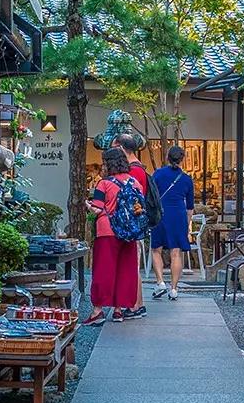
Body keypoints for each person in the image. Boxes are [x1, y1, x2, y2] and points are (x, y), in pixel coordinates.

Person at [83, 147, 142, 326]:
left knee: (104, 270)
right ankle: (118, 310)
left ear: (108, 163)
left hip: (107, 231)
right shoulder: (135, 183)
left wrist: (87, 205)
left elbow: (98, 208)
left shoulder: (104, 183)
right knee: (125, 270)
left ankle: (98, 310)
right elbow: (139, 208)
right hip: (129, 232)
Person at [112, 132, 150, 319]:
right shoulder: (140, 169)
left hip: (131, 227)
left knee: (132, 267)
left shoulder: (133, 172)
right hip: (135, 226)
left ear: (120, 147)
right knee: (134, 266)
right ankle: (137, 304)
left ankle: (135, 305)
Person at [150, 144, 195, 301]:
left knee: (156, 249)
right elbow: (190, 207)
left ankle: (160, 282)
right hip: (178, 215)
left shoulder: (158, 174)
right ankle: (174, 289)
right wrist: (187, 225)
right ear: (182, 160)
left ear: (167, 157)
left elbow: (151, 196)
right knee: (176, 252)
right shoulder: (187, 179)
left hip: (161, 214)